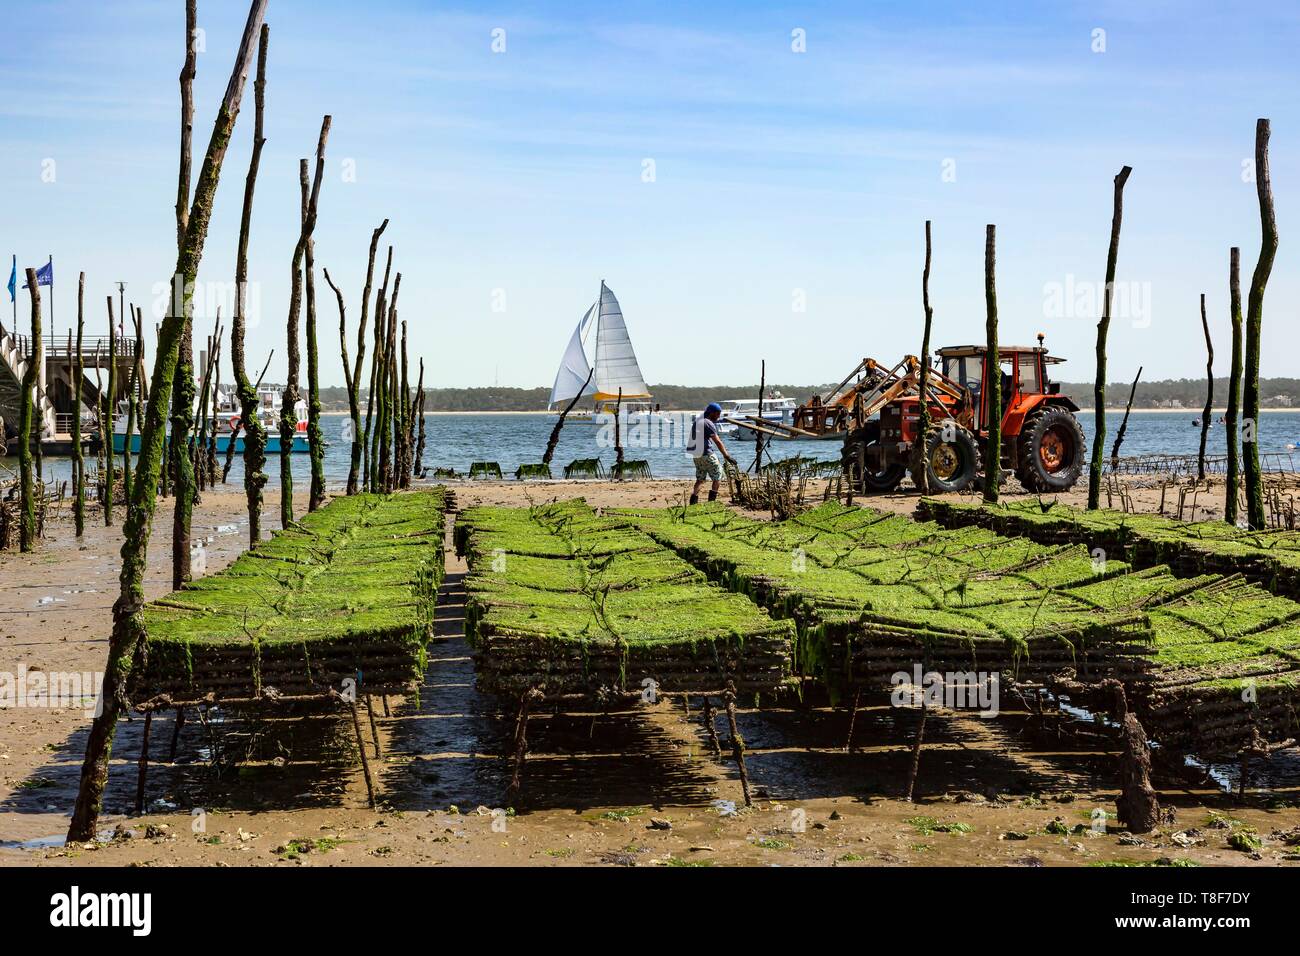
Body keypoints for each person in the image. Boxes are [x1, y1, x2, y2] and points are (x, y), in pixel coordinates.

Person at [688, 402, 736, 505]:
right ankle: (711, 503)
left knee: (700, 479)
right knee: (718, 476)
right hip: (706, 454)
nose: (719, 417)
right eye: (718, 414)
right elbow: (717, 441)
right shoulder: (708, 423)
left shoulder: (698, 421)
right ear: (713, 413)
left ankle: (693, 502)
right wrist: (726, 456)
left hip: (696, 454)